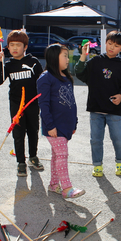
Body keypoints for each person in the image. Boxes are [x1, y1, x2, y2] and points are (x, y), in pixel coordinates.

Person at [75, 31, 121, 177]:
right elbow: (79, 73)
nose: (112, 47)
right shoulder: (95, 62)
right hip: (96, 109)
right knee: (95, 140)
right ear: (105, 43)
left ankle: (120, 163)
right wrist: (83, 55)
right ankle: (97, 165)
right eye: (109, 44)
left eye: (116, 45)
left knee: (118, 139)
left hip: (114, 111)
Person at [0, 30, 44, 176]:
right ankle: (21, 162)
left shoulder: (33, 62)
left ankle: (33, 157)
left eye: (18, 45)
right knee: (18, 133)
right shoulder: (8, 65)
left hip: (33, 103)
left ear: (25, 46)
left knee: (33, 131)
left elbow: (42, 82)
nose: (15, 48)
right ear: (7, 47)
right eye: (11, 45)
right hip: (16, 104)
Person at [37, 44, 85, 199]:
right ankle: (67, 187)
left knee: (57, 156)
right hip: (54, 127)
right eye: (64, 55)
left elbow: (72, 102)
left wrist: (74, 123)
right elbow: (43, 104)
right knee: (62, 155)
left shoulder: (67, 78)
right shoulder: (45, 78)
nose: (67, 58)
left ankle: (53, 185)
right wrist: (49, 125)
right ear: (53, 57)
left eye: (67, 55)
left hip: (66, 125)